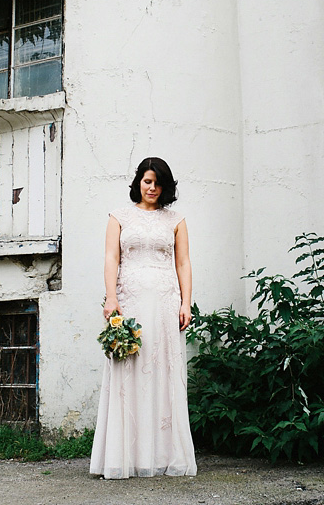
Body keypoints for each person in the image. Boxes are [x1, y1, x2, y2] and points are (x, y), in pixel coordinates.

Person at [89, 157, 198, 479]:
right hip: (130, 301)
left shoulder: (176, 219)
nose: (153, 188)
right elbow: (111, 257)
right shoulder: (119, 217)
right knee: (129, 369)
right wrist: (111, 297)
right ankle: (123, 456)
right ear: (138, 181)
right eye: (148, 181)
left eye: (159, 183)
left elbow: (183, 263)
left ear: (166, 186)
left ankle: (165, 455)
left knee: (163, 370)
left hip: (166, 302)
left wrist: (186, 302)